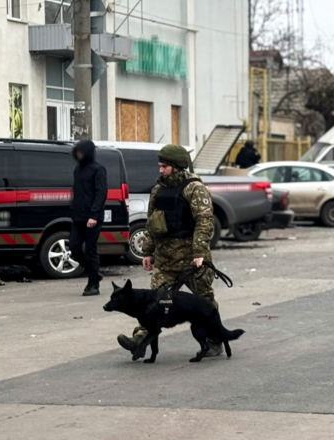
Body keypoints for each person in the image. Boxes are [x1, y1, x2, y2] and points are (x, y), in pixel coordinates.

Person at [117, 144, 222, 357]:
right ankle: (139, 340)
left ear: (177, 166)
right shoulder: (158, 190)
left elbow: (204, 221)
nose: (161, 170)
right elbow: (152, 224)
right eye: (160, 165)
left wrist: (199, 252)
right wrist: (148, 252)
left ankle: (214, 340)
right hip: (166, 261)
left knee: (204, 301)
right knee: (153, 303)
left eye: (164, 166)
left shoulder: (195, 188)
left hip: (193, 261)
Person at [69, 139, 108, 296]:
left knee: (91, 250)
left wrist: (94, 215)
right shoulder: (78, 169)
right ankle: (94, 272)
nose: (78, 155)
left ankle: (93, 284)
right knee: (73, 247)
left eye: (81, 152)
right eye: (76, 152)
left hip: (92, 218)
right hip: (78, 217)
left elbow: (101, 193)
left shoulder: (98, 169)